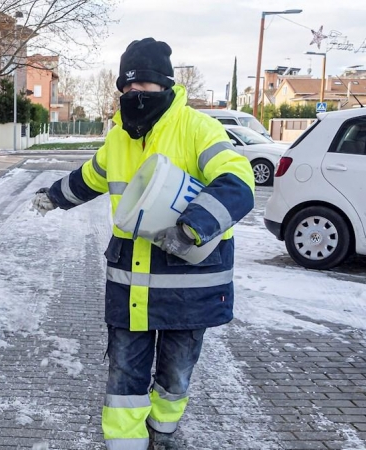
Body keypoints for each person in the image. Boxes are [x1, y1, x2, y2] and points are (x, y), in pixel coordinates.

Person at [31, 38, 255, 449]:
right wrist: (55, 195)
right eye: (128, 90)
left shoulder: (197, 129)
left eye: (145, 88)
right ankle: (125, 442)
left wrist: (193, 225)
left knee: (176, 371)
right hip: (131, 282)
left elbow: (239, 181)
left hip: (190, 285)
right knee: (124, 373)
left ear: (165, 86)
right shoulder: (119, 139)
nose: (135, 96)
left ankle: (164, 430)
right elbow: (92, 177)